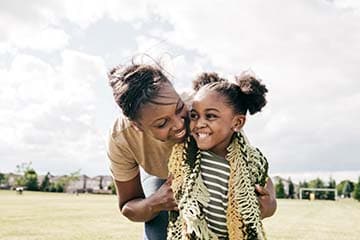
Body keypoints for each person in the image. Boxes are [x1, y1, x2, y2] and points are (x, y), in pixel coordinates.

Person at [106, 62, 276, 240]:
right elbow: (128, 206)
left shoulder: (203, 110)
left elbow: (253, 170)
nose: (180, 125)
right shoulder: (122, 137)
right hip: (162, 180)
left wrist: (269, 203)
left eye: (180, 109)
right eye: (162, 123)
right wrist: (155, 203)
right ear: (137, 126)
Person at [167, 72, 274, 239]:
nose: (200, 123)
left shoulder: (248, 160)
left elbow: (265, 180)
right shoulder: (186, 155)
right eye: (194, 116)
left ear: (237, 123)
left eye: (210, 116)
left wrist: (271, 204)